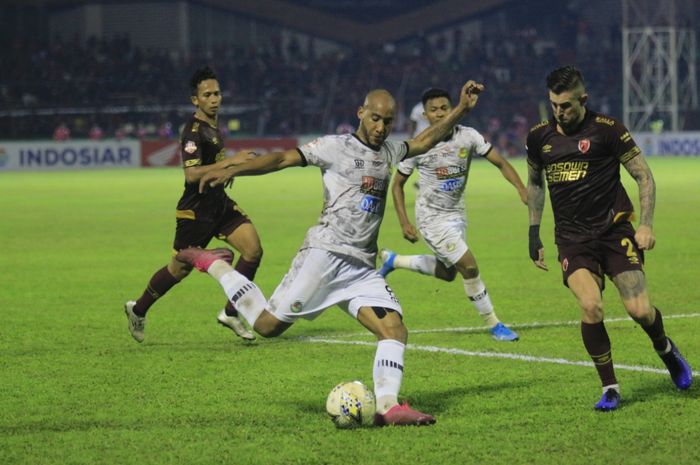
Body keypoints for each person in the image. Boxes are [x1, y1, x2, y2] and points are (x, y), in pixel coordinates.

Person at [178, 80, 484, 426]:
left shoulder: (389, 152)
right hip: (324, 256)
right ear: (360, 113)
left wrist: (461, 109)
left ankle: (389, 406)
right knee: (266, 326)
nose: (380, 127)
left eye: (387, 121)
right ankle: (215, 265)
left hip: (361, 268)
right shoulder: (334, 147)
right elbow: (281, 159)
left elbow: (424, 140)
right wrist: (233, 168)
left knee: (394, 330)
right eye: (374, 118)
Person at [526, 65, 692, 411]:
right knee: (591, 305)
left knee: (640, 310)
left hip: (614, 231)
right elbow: (535, 183)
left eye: (566, 105)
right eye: (554, 105)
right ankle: (610, 387)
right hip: (572, 240)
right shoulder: (539, 137)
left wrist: (645, 225)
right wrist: (533, 232)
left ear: (583, 99)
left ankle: (666, 350)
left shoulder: (608, 130)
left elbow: (644, 177)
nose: (559, 112)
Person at [124, 66, 262, 343]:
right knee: (178, 269)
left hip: (219, 205)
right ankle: (137, 309)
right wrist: (231, 162)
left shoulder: (213, 127)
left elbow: (211, 168)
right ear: (195, 100)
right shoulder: (193, 132)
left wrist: (225, 174)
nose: (214, 98)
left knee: (253, 250)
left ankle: (231, 313)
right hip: (195, 212)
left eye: (217, 93)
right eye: (207, 94)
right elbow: (191, 174)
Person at [378, 87, 528, 342]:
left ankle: (394, 261)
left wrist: (522, 189)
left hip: (457, 215)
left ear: (452, 108)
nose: (439, 114)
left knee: (449, 273)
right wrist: (404, 221)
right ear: (425, 114)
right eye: (433, 110)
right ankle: (495, 325)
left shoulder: (468, 136)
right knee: (469, 266)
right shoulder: (418, 145)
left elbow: (500, 162)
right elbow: (397, 185)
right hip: (431, 218)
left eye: (444, 108)